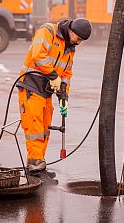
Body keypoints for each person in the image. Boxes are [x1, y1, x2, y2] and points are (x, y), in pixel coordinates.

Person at [17, 18, 92, 174]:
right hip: (31, 85)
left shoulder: (70, 48)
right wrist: (53, 76)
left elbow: (66, 73)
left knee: (44, 128)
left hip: (46, 91)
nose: (78, 43)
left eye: (81, 41)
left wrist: (64, 96)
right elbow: (38, 55)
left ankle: (38, 163)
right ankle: (35, 165)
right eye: (78, 39)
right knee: (35, 126)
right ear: (71, 30)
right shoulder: (48, 31)